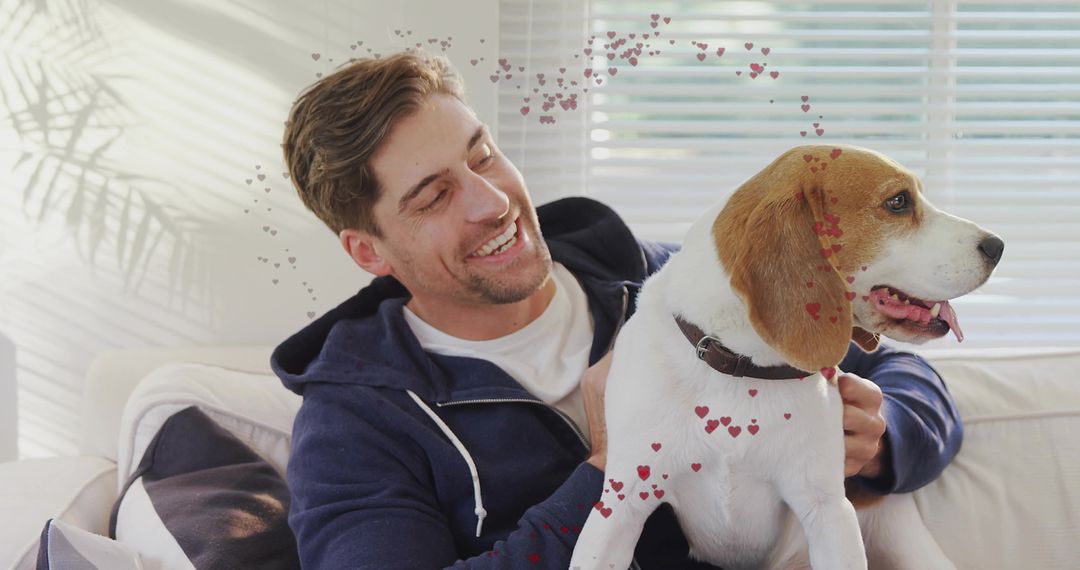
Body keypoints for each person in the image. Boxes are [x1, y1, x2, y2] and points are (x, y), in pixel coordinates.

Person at [270, 49, 962, 569]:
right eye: (433, 197)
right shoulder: (355, 424)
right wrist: (610, 468)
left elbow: (911, 377)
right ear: (370, 251)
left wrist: (880, 433)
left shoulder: (663, 286)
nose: (492, 201)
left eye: (482, 157)